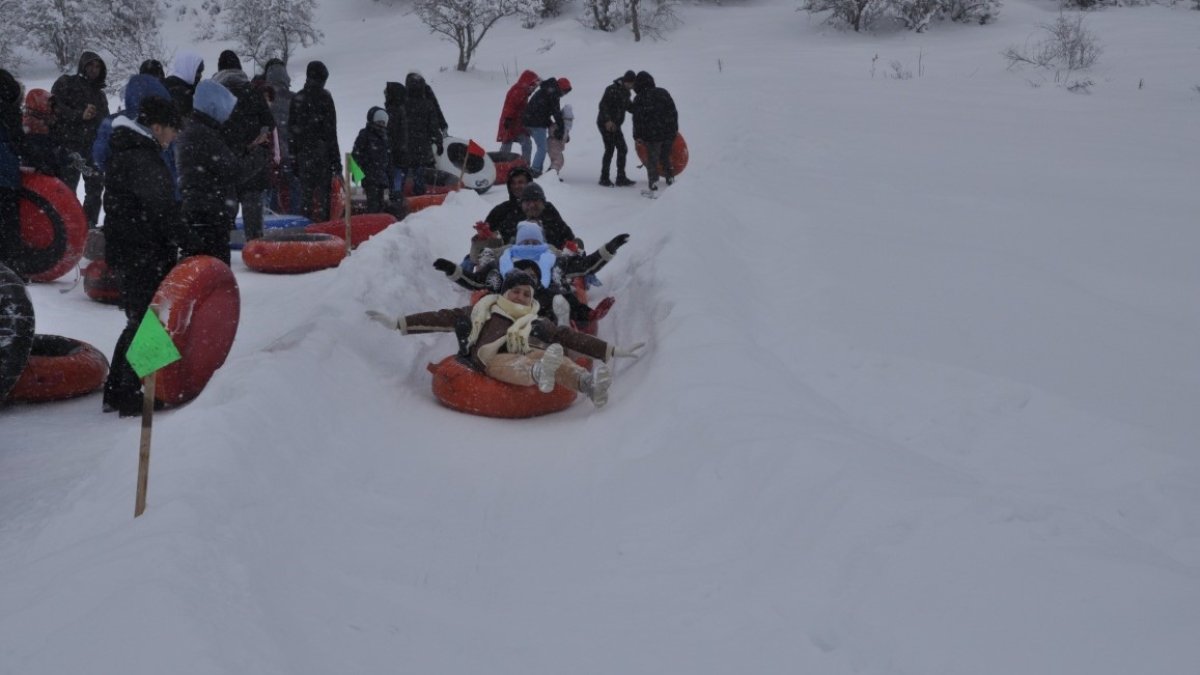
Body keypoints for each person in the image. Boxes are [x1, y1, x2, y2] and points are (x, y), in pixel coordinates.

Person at [367, 270, 644, 408]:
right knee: (515, 363)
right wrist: (399, 323)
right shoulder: (484, 311)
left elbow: (569, 336)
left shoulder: (536, 319)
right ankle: (538, 373)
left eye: (526, 294)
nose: (521, 297)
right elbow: (442, 317)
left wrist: (611, 350)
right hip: (492, 359)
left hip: (531, 353)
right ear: (505, 293)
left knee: (547, 355)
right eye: (516, 291)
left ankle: (588, 385)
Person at [101, 96, 190, 416]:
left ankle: (116, 389)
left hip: (133, 248)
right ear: (156, 127)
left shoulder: (132, 151)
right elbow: (161, 209)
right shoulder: (142, 157)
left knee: (139, 319)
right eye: (172, 129)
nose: (174, 136)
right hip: (143, 251)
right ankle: (133, 391)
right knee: (149, 321)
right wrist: (188, 239)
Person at [434, 220, 624, 329]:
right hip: (505, 304)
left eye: (534, 243)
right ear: (518, 244)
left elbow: (585, 266)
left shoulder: (554, 260)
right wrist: (452, 270)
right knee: (489, 300)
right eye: (526, 243)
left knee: (561, 297)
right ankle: (486, 337)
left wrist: (609, 249)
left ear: (542, 244)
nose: (530, 246)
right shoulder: (501, 262)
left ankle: (570, 323)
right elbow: (475, 282)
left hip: (544, 303)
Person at [176, 80, 263, 265]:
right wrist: (258, 157)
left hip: (199, 211)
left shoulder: (196, 130)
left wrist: (246, 151)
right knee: (214, 271)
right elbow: (233, 171)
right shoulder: (204, 134)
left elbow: (220, 164)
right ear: (214, 106)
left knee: (200, 268)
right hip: (209, 214)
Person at [213, 51, 275, 241]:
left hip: (224, 163)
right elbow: (269, 123)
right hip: (252, 163)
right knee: (254, 227)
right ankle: (255, 249)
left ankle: (221, 250)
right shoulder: (252, 91)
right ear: (239, 67)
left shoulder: (214, 95)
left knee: (222, 225)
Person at [51, 51, 109, 228]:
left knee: (95, 190)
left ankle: (87, 228)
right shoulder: (67, 83)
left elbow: (105, 123)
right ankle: (67, 227)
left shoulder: (100, 95)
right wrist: (79, 115)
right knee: (66, 191)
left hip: (93, 150)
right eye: (90, 65)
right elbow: (53, 107)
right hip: (70, 148)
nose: (94, 69)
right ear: (82, 65)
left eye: (97, 66)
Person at [288, 61, 340, 222]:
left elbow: (291, 133)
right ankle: (323, 227)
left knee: (306, 197)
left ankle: (306, 226)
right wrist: (336, 161)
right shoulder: (325, 98)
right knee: (324, 198)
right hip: (323, 155)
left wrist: (293, 158)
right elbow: (331, 133)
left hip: (303, 155)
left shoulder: (297, 99)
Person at [630, 71, 678, 193]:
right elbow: (673, 112)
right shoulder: (663, 92)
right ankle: (670, 179)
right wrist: (674, 130)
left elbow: (637, 119)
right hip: (668, 133)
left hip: (652, 135)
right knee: (665, 157)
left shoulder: (639, 98)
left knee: (652, 161)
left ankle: (654, 185)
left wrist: (637, 136)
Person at [0, 69, 28, 277]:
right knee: (9, 224)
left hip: (6, 174)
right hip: (7, 177)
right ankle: (12, 269)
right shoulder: (11, 115)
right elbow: (19, 144)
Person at [263, 59, 299, 214]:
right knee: (295, 191)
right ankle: (296, 220)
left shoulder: (264, 99)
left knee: (272, 191)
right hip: (291, 155)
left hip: (270, 155)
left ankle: (272, 220)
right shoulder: (295, 99)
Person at [400, 72, 443, 197]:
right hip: (422, 147)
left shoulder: (401, 104)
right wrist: (439, 142)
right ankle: (419, 196)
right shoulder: (427, 105)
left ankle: (399, 194)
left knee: (403, 172)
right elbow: (434, 127)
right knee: (420, 172)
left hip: (404, 146)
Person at [521, 77, 569, 177]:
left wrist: (554, 125)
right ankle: (535, 170)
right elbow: (556, 112)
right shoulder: (553, 93)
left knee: (541, 146)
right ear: (560, 88)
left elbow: (543, 110)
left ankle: (536, 169)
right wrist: (561, 128)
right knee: (542, 147)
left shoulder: (547, 90)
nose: (564, 94)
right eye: (564, 91)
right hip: (535, 123)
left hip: (531, 120)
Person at [596, 70, 637, 187]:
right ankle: (604, 178)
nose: (632, 87)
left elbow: (629, 107)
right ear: (626, 81)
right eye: (631, 84)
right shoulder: (611, 89)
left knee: (622, 148)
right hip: (605, 124)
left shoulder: (625, 92)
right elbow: (603, 105)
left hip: (615, 125)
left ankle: (621, 177)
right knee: (610, 149)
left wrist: (640, 108)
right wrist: (607, 120)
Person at [352, 107, 392, 214]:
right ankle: (372, 219)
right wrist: (356, 173)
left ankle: (379, 220)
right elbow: (356, 154)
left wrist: (389, 176)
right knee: (373, 204)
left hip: (382, 178)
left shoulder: (385, 138)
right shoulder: (365, 135)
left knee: (381, 204)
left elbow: (388, 159)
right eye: (379, 121)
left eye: (383, 122)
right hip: (370, 176)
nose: (381, 124)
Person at [496, 69, 539, 164]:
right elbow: (511, 105)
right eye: (534, 85)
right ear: (529, 82)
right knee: (509, 143)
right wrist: (508, 119)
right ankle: (502, 164)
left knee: (523, 143)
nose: (534, 88)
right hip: (511, 123)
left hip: (517, 124)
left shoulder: (523, 91)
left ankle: (522, 164)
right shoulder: (519, 91)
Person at [21, 88, 61, 179]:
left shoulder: (45, 120)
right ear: (39, 104)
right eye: (48, 104)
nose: (51, 108)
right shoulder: (33, 124)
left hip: (45, 172)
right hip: (39, 175)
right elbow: (37, 152)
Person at [383, 81, 407, 196]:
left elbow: (390, 133)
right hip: (399, 151)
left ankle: (394, 196)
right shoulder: (400, 110)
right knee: (397, 175)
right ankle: (396, 194)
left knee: (394, 175)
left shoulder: (392, 111)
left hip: (394, 151)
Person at [164, 52, 204, 119]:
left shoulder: (169, 84)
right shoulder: (181, 93)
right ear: (188, 69)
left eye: (201, 72)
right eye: (198, 71)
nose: (200, 76)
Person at [547, 102, 574, 180]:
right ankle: (551, 175)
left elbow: (565, 136)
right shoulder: (558, 126)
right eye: (568, 119)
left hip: (557, 148)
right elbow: (551, 130)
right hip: (553, 146)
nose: (569, 121)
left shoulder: (565, 129)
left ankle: (552, 173)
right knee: (558, 161)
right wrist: (556, 134)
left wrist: (567, 138)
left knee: (559, 161)